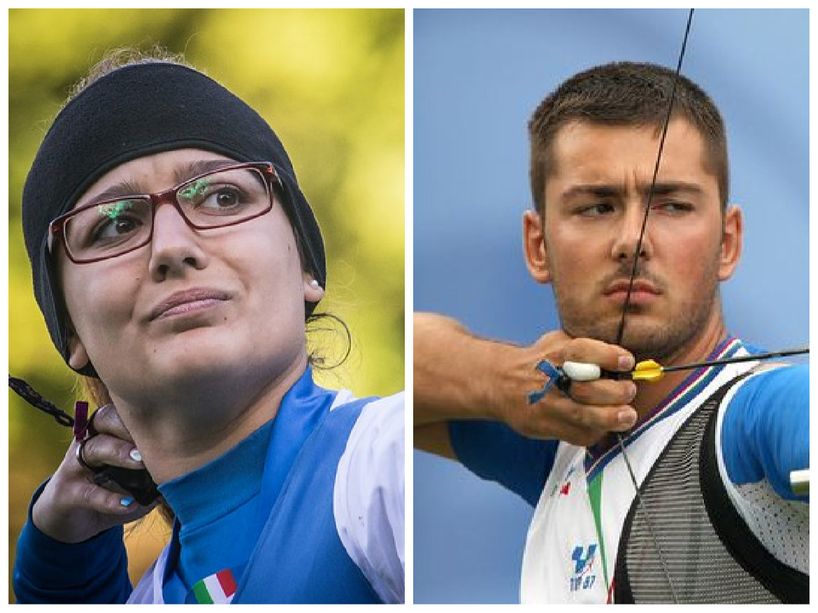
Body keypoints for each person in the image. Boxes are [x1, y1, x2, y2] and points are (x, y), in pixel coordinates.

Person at [13, 50, 404, 604]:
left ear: (306, 268)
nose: (172, 247)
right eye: (116, 225)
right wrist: (58, 562)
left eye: (223, 197)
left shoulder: (389, 462)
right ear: (70, 329)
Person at [415, 61, 807, 603]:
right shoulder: (556, 438)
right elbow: (407, 366)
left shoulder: (756, 417)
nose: (632, 240)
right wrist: (502, 382)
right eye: (597, 206)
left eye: (672, 205)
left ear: (728, 241)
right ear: (538, 245)